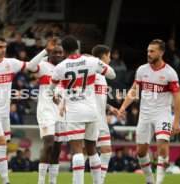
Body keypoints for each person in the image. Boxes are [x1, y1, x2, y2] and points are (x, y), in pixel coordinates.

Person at [0, 34, 57, 184]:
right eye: (0, 47)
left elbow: (31, 65)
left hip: (4, 112)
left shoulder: (11, 63)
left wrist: (45, 52)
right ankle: (6, 181)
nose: (3, 49)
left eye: (4, 46)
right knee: (1, 144)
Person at [49, 35, 116, 184]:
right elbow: (112, 74)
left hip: (74, 112)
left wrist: (53, 96)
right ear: (77, 48)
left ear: (64, 50)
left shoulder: (60, 67)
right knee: (92, 150)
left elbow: (51, 89)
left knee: (78, 151)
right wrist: (98, 66)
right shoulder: (91, 62)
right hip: (92, 111)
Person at [119, 39, 180, 184]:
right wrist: (123, 107)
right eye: (148, 51)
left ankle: (158, 183)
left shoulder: (170, 73)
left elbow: (177, 99)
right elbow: (134, 90)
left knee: (162, 147)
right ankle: (150, 180)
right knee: (140, 151)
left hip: (162, 115)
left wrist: (176, 121)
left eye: (152, 51)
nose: (149, 54)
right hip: (145, 115)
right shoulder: (142, 70)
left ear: (161, 52)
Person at [27, 44, 67, 184]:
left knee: (56, 150)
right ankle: (41, 181)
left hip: (61, 113)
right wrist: (44, 51)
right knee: (48, 145)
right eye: (55, 52)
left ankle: (52, 182)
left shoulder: (65, 69)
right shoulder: (43, 66)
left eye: (60, 52)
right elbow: (30, 66)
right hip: (46, 111)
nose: (57, 55)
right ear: (50, 54)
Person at [92, 44, 120, 183]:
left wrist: (110, 107)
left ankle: (100, 182)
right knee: (85, 153)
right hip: (91, 119)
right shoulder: (91, 73)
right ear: (103, 57)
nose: (110, 59)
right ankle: (76, 179)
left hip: (102, 119)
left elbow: (99, 98)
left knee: (107, 150)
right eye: (108, 56)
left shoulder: (102, 76)